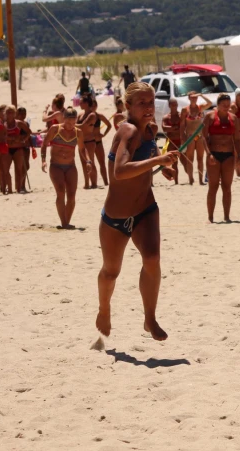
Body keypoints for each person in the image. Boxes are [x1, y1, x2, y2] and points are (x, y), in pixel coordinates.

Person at [97, 82, 178, 341]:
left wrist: (161, 167)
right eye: (141, 103)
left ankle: (150, 317)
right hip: (115, 218)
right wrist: (157, 160)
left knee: (152, 258)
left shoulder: (150, 129)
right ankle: (104, 309)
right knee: (111, 271)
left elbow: (147, 156)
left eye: (150, 102)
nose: (147, 107)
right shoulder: (127, 130)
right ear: (128, 106)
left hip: (145, 209)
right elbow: (120, 171)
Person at [40, 108, 90, 228]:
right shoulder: (55, 129)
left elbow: (82, 149)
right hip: (56, 166)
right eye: (68, 122)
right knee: (61, 192)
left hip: (70, 166)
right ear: (64, 118)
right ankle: (64, 223)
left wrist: (88, 160)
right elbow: (44, 143)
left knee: (72, 196)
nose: (70, 125)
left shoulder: (78, 132)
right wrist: (43, 161)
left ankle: (66, 221)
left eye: (73, 123)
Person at [202, 94, 240, 223]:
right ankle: (210, 217)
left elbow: (236, 139)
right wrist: (208, 154)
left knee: (227, 187)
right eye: (223, 104)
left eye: (228, 104)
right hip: (214, 154)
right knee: (213, 187)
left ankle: (226, 216)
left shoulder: (234, 118)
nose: (226, 107)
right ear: (218, 105)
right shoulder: (210, 117)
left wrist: (239, 155)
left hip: (228, 156)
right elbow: (204, 137)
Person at [180, 92, 212, 186]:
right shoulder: (185, 110)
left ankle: (201, 180)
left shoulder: (200, 108)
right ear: (189, 98)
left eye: (195, 98)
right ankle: (190, 179)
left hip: (199, 136)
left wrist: (201, 95)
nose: (194, 99)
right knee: (190, 159)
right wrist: (182, 138)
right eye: (192, 98)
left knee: (200, 158)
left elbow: (209, 103)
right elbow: (182, 125)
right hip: (190, 136)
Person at [2, 106, 30, 195]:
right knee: (6, 170)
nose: (9, 114)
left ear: (14, 114)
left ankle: (18, 189)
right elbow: (0, 135)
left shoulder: (19, 123)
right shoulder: (3, 124)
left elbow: (29, 132)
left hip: (18, 148)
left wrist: (23, 140)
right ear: (5, 114)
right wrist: (7, 138)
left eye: (11, 112)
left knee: (18, 170)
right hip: (7, 148)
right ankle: (9, 189)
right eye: (8, 112)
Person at [161, 99, 189, 184]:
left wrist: (173, 129)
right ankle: (176, 181)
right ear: (169, 106)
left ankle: (190, 178)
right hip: (171, 141)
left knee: (184, 161)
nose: (174, 106)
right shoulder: (166, 117)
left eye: (176, 105)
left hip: (180, 141)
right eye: (173, 105)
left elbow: (186, 126)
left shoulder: (181, 116)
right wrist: (174, 128)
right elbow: (164, 128)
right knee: (174, 162)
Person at [77, 95, 100, 189]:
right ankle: (86, 183)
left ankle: (94, 183)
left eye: (82, 102)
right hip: (81, 141)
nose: (80, 104)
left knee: (90, 162)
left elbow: (83, 126)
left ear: (87, 103)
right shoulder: (80, 114)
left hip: (89, 141)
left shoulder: (92, 115)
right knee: (83, 163)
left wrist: (69, 124)